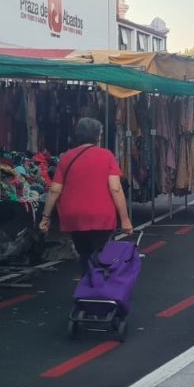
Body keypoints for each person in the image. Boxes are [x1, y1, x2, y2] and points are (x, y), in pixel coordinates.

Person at [39, 117, 133, 272]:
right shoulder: (106, 155)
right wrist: (124, 219)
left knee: (84, 254)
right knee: (100, 254)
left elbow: (55, 190)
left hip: (74, 215)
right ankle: (98, 288)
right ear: (98, 136)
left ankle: (88, 285)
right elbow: (116, 188)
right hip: (101, 215)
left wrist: (45, 217)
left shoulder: (66, 158)